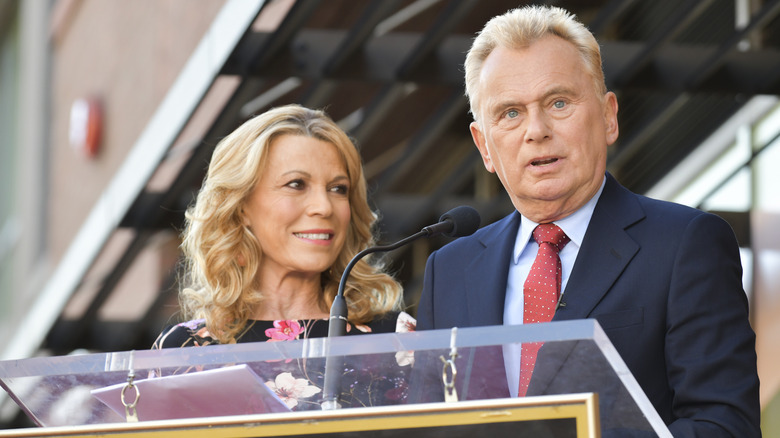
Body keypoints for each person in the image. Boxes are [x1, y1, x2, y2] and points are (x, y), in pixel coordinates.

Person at [416, 5, 760, 437]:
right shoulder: (448, 270)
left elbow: (725, 426)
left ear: (609, 116)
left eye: (558, 102)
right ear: (484, 146)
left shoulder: (685, 246)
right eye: (510, 113)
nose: (536, 130)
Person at [153, 104, 415, 409]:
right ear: (241, 207)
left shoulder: (396, 338)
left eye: (338, 188)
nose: (324, 207)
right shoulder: (184, 348)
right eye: (296, 184)